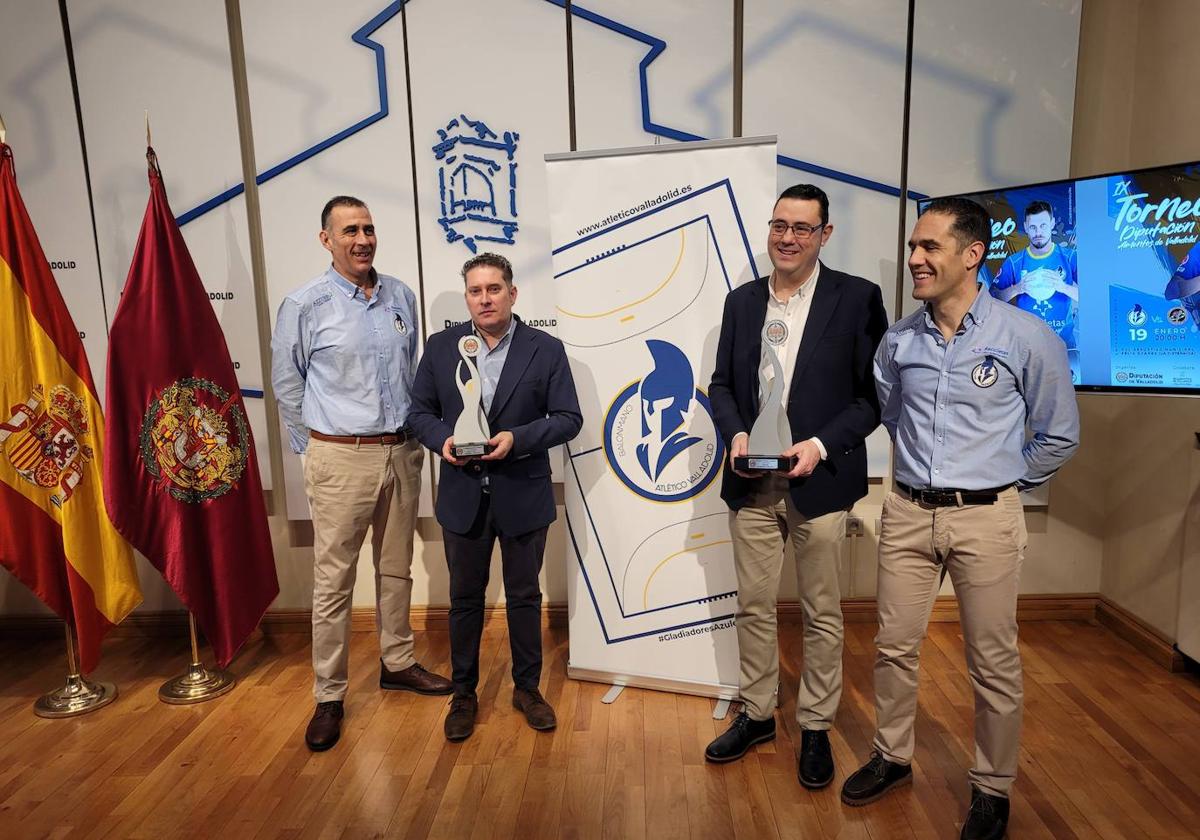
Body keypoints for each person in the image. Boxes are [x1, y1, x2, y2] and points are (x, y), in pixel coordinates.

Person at [842, 197, 1079, 840]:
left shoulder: (1028, 337)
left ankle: (992, 789)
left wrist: (1003, 483)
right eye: (914, 247)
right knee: (893, 648)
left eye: (930, 248)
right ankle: (892, 758)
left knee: (993, 661)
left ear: (972, 255)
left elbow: (1058, 434)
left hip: (986, 521)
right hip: (909, 514)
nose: (915, 259)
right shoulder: (900, 339)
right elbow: (893, 416)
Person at [706, 184, 889, 788]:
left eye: (802, 228)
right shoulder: (740, 302)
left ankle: (814, 726)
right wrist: (733, 432)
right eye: (779, 225)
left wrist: (816, 446)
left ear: (824, 235)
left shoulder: (858, 299)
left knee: (822, 612)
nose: (787, 238)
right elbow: (722, 386)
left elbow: (873, 400)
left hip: (821, 481)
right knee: (753, 605)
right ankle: (758, 713)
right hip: (751, 483)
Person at [271, 195, 452, 753]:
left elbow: (411, 374)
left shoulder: (401, 294)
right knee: (334, 582)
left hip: (401, 452)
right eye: (349, 230)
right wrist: (318, 449)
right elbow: (287, 385)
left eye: (369, 228)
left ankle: (397, 662)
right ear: (326, 239)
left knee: (396, 568)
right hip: (339, 457)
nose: (363, 239)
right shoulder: (304, 303)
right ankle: (329, 694)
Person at [408, 252, 582, 742]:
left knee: (525, 597)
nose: (484, 299)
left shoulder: (544, 349)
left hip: (523, 494)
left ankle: (526, 688)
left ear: (512, 293)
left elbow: (568, 418)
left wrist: (517, 439)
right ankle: (464, 693)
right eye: (475, 291)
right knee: (464, 600)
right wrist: (442, 439)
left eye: (493, 289)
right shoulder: (442, 346)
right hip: (463, 497)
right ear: (467, 296)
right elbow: (418, 411)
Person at [990, 200, 1079, 381]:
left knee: (1069, 397)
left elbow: (1094, 297)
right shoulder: (1014, 262)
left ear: (1052, 224)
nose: (1038, 232)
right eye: (1033, 227)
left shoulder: (1070, 257)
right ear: (1025, 227)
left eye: (1043, 225)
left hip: (1065, 343)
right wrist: (1017, 288)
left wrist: (1063, 287)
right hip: (1026, 346)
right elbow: (992, 299)